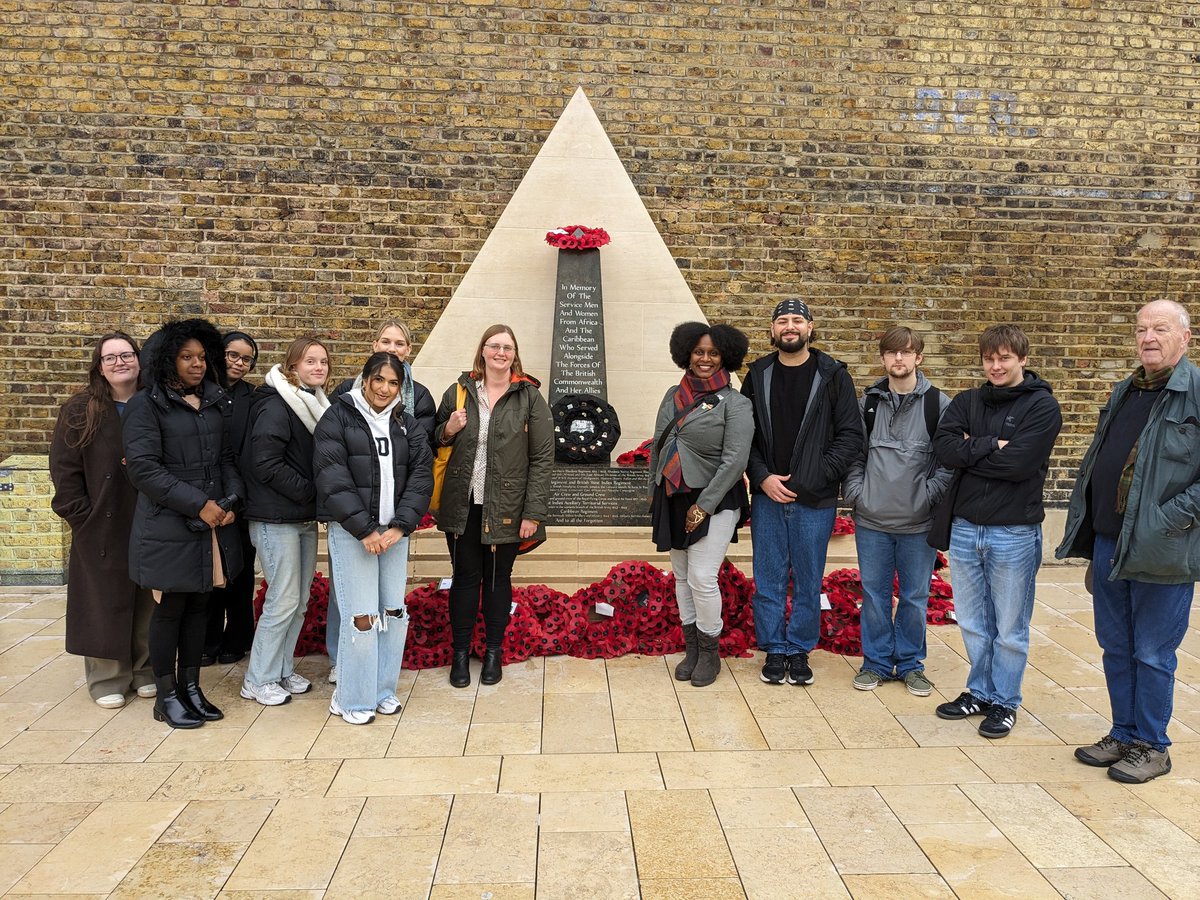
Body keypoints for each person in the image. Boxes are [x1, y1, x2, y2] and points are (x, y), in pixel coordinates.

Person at [1057, 300, 1198, 783]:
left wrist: (1164, 519)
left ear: (1186, 337)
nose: (1148, 337)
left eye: (1160, 328)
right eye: (1141, 329)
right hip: (1110, 540)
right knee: (1116, 646)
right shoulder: (1127, 390)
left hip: (1162, 547)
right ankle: (1124, 732)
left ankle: (1153, 745)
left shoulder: (1195, 393)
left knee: (1153, 651)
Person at [932, 324, 1062, 739]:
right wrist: (994, 444)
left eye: (1005, 358)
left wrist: (975, 447)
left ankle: (1004, 701)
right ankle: (978, 692)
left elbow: (1019, 465)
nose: (996, 365)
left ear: (1022, 359)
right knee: (972, 621)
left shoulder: (1042, 407)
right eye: (990, 358)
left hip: (1014, 533)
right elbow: (946, 448)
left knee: (1009, 627)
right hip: (967, 528)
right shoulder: (968, 400)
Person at [123, 318, 244, 728]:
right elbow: (144, 469)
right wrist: (199, 505)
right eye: (186, 357)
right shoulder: (146, 404)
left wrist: (229, 500)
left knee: (201, 607)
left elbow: (226, 458)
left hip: (211, 522)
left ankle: (192, 688)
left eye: (201, 356)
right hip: (169, 524)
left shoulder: (213, 400)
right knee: (171, 608)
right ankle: (166, 695)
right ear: (166, 359)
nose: (197, 364)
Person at [742, 299, 863, 686]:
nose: (789, 327)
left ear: (811, 327)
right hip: (767, 496)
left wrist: (813, 477)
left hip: (816, 499)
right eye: (782, 321)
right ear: (773, 329)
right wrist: (762, 478)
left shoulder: (832, 375)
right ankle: (775, 648)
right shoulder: (758, 374)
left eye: (797, 320)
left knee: (809, 578)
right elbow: (746, 435)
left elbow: (850, 436)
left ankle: (799, 648)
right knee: (769, 576)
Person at [315, 352, 433, 724]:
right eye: (378, 380)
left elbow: (420, 476)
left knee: (394, 613)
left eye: (393, 382)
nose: (384, 388)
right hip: (354, 535)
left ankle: (382, 690)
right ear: (364, 379)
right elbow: (332, 477)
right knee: (361, 617)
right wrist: (365, 530)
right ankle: (351, 697)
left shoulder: (407, 424)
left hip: (394, 535)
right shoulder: (337, 416)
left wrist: (399, 527)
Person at [434, 324, 553, 688]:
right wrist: (449, 428)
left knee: (499, 580)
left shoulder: (529, 397)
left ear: (514, 354)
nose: (500, 353)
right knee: (465, 580)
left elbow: (543, 457)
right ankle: (459, 654)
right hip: (463, 503)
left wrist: (533, 512)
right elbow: (433, 438)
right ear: (482, 351)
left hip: (508, 506)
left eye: (507, 347)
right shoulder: (458, 392)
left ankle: (493, 653)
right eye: (494, 346)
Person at [842, 326, 953, 696]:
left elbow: (949, 463)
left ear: (919, 358)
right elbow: (853, 454)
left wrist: (927, 496)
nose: (899, 359)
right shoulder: (868, 403)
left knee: (914, 596)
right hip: (871, 520)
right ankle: (874, 663)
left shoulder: (939, 404)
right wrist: (858, 494)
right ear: (883, 358)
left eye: (906, 353)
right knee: (873, 595)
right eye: (892, 353)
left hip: (918, 524)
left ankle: (910, 665)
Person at [49, 331, 157, 709]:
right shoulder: (81, 410)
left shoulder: (154, 403)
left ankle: (145, 669)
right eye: (110, 358)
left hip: (147, 516)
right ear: (99, 366)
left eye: (126, 355)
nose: (119, 362)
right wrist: (82, 516)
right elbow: (64, 471)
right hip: (101, 521)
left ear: (139, 361)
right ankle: (108, 677)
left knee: (148, 598)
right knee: (103, 600)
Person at [649, 322, 753, 687]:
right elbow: (660, 445)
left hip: (716, 498)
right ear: (687, 354)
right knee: (681, 577)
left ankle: (710, 651)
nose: (705, 359)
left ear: (725, 356)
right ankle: (691, 648)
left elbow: (735, 459)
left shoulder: (735, 403)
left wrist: (704, 505)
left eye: (713, 353)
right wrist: (654, 490)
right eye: (698, 352)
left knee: (702, 577)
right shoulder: (672, 394)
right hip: (674, 494)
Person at [240, 337, 331, 707]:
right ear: (292, 366)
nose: (319, 367)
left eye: (323, 361)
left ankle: (279, 669)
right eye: (310, 361)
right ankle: (257, 679)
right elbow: (264, 463)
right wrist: (311, 492)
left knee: (299, 600)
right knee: (282, 598)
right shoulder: (276, 405)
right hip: (274, 517)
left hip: (300, 516)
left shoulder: (311, 404)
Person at [203, 330, 260, 666]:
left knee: (239, 572)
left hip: (241, 500)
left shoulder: (252, 398)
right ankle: (207, 640)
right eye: (232, 355)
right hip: (204, 498)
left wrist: (237, 501)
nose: (239, 363)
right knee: (208, 575)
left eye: (246, 358)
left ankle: (237, 639)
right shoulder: (199, 393)